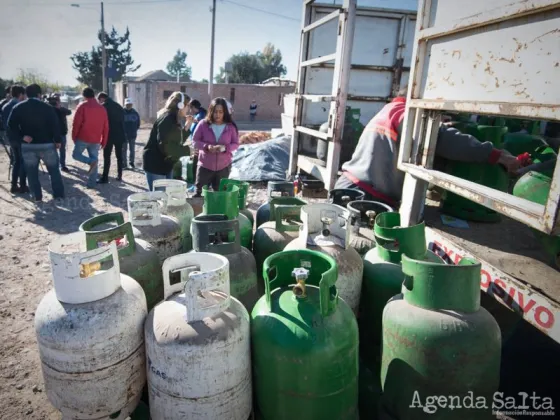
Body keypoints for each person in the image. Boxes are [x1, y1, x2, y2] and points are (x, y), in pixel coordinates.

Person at [334, 86, 523, 207]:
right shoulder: (405, 114)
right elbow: (444, 139)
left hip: (353, 188)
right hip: (363, 196)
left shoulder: (389, 110)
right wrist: (496, 155)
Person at [7, 84, 64, 202]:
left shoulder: (18, 107)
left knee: (32, 173)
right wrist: (57, 140)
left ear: (26, 94)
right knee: (54, 171)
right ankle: (58, 195)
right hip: (47, 144)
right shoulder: (48, 107)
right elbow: (55, 125)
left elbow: (10, 126)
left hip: (28, 146)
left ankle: (37, 197)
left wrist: (22, 137)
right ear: (39, 94)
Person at [143, 91, 191, 191]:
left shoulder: (173, 119)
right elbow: (167, 147)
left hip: (165, 163)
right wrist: (188, 151)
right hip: (155, 164)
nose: (188, 109)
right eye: (188, 106)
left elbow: (176, 141)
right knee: (159, 199)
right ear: (181, 105)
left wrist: (187, 125)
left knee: (167, 197)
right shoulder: (167, 119)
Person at [192, 97, 239, 197]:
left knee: (220, 195)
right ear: (210, 111)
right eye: (215, 111)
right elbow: (195, 141)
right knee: (199, 194)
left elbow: (235, 144)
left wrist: (225, 148)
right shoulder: (203, 124)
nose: (217, 115)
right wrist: (206, 147)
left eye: (220, 112)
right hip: (205, 166)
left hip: (224, 167)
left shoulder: (230, 127)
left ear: (225, 112)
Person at [72, 87, 109, 188]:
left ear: (84, 96)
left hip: (83, 137)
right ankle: (92, 184)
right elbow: (106, 126)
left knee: (76, 155)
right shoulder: (102, 108)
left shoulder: (82, 106)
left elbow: (76, 123)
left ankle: (90, 162)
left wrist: (74, 136)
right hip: (96, 139)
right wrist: (104, 140)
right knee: (94, 159)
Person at [2, 85, 28, 193]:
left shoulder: (5, 106)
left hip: (10, 138)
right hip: (21, 138)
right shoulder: (20, 106)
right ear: (21, 94)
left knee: (16, 161)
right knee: (22, 162)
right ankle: (22, 185)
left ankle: (13, 185)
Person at [97, 92, 126, 183]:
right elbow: (123, 120)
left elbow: (101, 122)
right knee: (119, 156)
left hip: (109, 135)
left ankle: (105, 177)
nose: (99, 102)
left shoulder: (103, 107)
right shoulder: (118, 106)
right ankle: (119, 175)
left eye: (99, 100)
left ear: (102, 98)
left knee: (107, 156)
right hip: (120, 135)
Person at [48, 94, 72, 172]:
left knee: (60, 150)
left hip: (59, 133)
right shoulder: (51, 109)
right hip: (55, 133)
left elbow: (69, 112)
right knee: (56, 150)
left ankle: (61, 165)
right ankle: (58, 165)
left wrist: (60, 107)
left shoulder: (60, 110)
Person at [123, 98, 141, 169]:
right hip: (123, 135)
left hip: (132, 135)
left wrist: (134, 131)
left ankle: (131, 163)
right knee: (123, 150)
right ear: (125, 105)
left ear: (132, 105)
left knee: (132, 150)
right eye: (127, 104)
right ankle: (124, 164)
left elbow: (138, 124)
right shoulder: (121, 113)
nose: (128, 106)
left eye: (130, 104)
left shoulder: (135, 113)